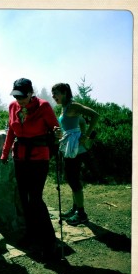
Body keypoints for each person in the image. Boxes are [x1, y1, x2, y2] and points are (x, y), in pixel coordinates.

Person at [1, 78, 62, 258]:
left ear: (30, 93)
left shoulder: (43, 107)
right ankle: (31, 234)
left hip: (38, 157)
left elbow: (56, 128)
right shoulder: (13, 107)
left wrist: (58, 132)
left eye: (22, 96)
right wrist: (5, 153)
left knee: (35, 199)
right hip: (19, 156)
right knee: (24, 199)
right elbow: (11, 131)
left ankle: (49, 242)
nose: (18, 100)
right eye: (16, 96)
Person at [52, 83, 99, 226]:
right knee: (71, 178)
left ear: (65, 92)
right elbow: (82, 121)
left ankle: (82, 214)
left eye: (56, 93)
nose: (53, 96)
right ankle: (75, 209)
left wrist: (86, 136)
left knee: (73, 179)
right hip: (70, 147)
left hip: (76, 149)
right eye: (53, 93)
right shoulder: (65, 108)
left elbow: (95, 115)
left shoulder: (73, 105)